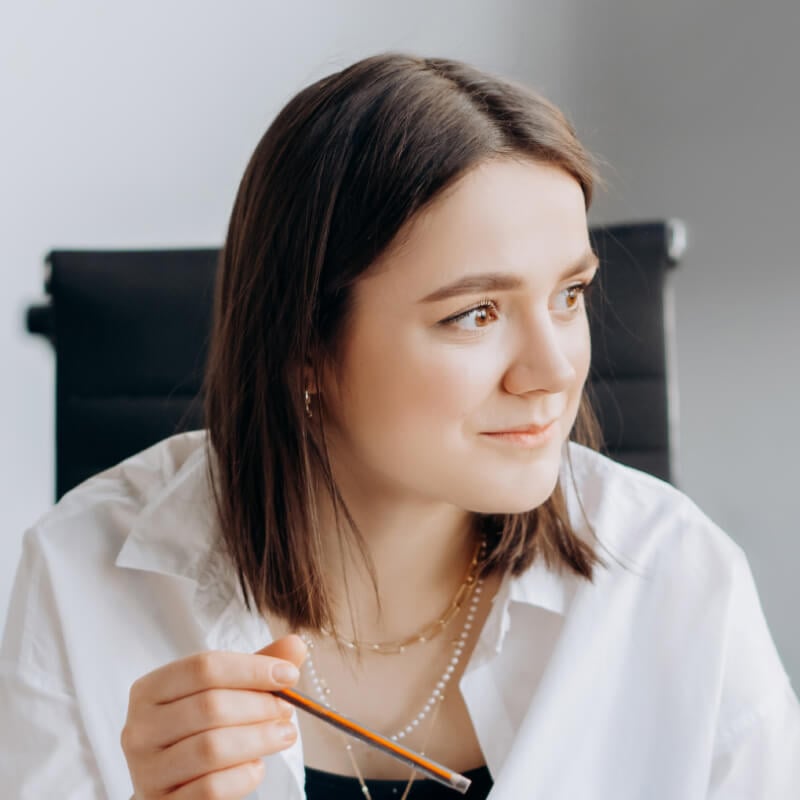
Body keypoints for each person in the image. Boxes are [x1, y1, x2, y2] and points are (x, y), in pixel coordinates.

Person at [1, 52, 798, 800]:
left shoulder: (680, 576)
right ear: (304, 345)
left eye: (570, 295)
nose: (555, 369)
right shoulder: (80, 577)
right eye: (475, 313)